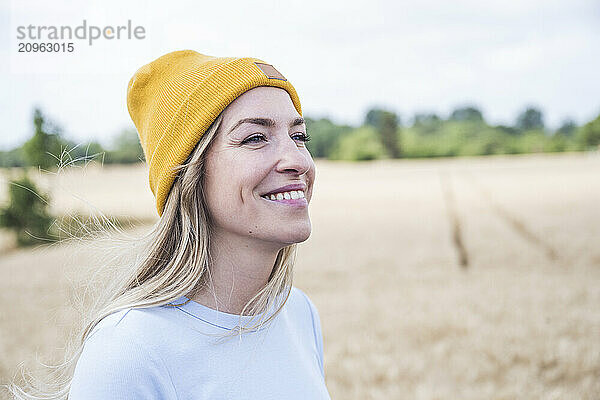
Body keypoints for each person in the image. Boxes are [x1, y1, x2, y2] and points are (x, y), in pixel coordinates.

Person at [9, 50, 330, 399]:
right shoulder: (129, 352)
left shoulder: (297, 313)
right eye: (255, 138)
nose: (298, 160)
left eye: (299, 137)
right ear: (189, 174)